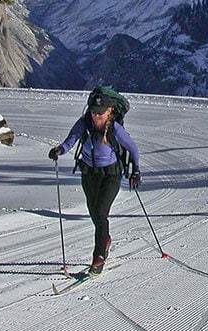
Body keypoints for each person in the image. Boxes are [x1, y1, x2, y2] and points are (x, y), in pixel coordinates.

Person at [49, 92, 141, 274]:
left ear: (109, 111)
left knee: (100, 212)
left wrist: (136, 170)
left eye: (100, 112)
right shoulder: (84, 123)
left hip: (111, 175)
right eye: (93, 112)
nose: (96, 116)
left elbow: (132, 148)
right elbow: (71, 140)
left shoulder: (115, 128)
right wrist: (59, 150)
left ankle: (98, 257)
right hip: (89, 173)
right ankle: (105, 240)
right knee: (94, 213)